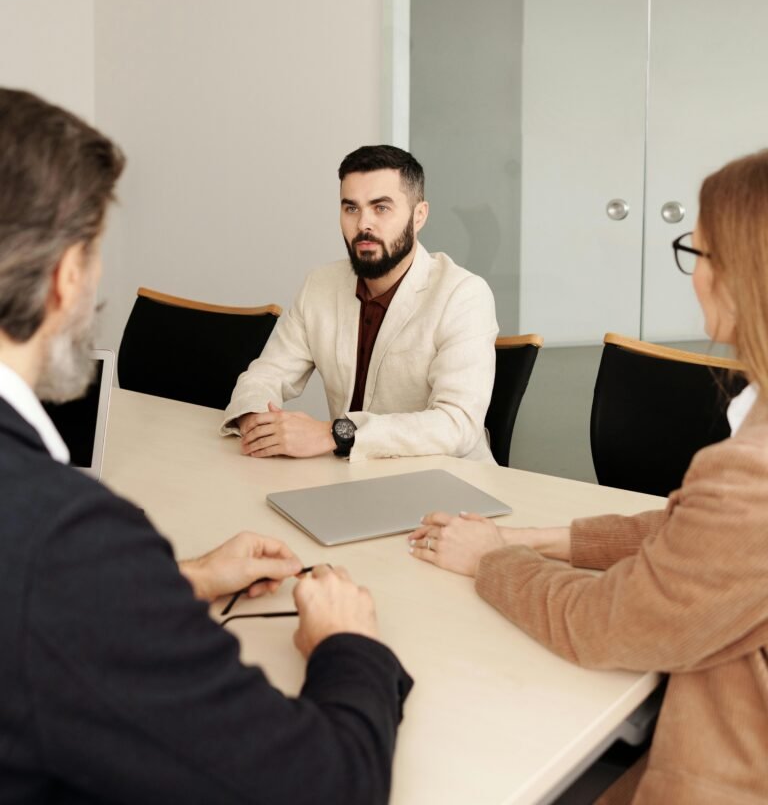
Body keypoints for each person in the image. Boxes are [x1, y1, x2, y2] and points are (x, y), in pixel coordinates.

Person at [0, 88, 412, 804]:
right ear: (68, 276)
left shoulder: (57, 556)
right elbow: (327, 787)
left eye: (379, 206)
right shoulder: (60, 536)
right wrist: (353, 648)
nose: (363, 223)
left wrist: (174, 580)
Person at [409, 148, 768, 805]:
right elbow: (698, 533)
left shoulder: (752, 473)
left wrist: (493, 560)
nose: (692, 277)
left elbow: (604, 625)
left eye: (700, 253)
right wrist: (549, 539)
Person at [222, 144, 498, 462]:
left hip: (449, 487)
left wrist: (334, 433)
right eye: (351, 208)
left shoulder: (463, 295)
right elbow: (266, 375)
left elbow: (456, 425)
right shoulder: (320, 285)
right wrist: (256, 418)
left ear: (419, 215)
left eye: (381, 208)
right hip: (352, 479)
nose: (363, 224)